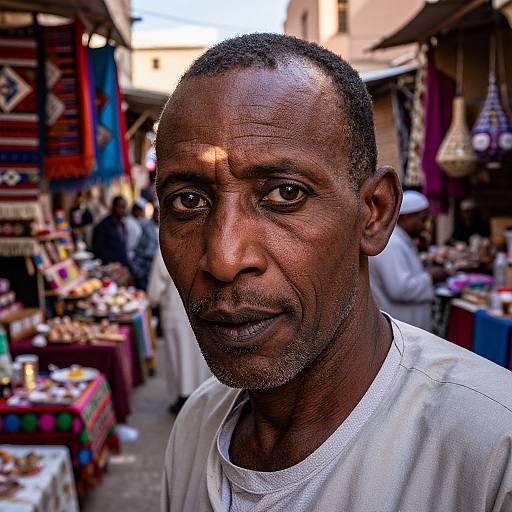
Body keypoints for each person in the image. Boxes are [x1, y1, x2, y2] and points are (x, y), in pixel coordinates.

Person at [156, 34, 512, 512]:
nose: (223, 258)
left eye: (285, 194)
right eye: (188, 201)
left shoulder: (492, 450)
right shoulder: (198, 424)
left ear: (374, 213)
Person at [369, 190, 446, 331]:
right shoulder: (392, 243)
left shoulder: (399, 240)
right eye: (422, 220)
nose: (424, 226)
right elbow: (400, 289)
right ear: (407, 217)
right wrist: (431, 277)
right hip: (402, 328)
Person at [147, 250, 211, 414]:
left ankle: (184, 397)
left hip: (176, 312)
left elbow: (155, 290)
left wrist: (151, 299)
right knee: (197, 355)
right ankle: (200, 394)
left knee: (180, 356)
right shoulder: (204, 244)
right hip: (199, 310)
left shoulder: (166, 248)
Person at [92, 195, 129, 266]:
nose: (124, 210)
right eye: (121, 207)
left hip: (121, 265)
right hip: (109, 266)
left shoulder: (122, 224)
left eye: (124, 207)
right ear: (114, 207)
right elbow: (99, 249)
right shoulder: (103, 225)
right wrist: (111, 262)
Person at [132, 204, 160, 290]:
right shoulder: (148, 228)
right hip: (145, 269)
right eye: (156, 213)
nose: (158, 216)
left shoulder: (163, 227)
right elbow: (145, 251)